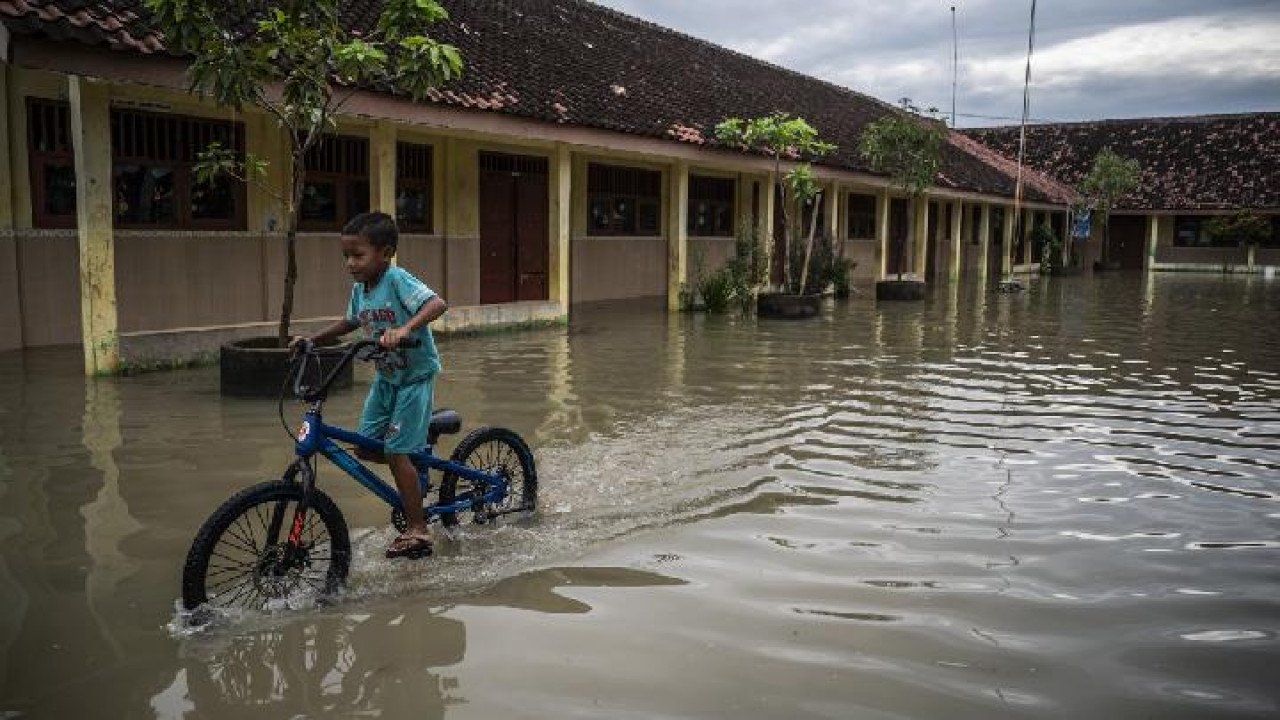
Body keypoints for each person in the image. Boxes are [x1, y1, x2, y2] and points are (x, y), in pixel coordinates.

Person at [295, 211, 448, 559]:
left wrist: (406, 329)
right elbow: (351, 321)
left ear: (385, 252)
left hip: (414, 378)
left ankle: (419, 528)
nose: (350, 263)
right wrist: (312, 339)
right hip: (386, 379)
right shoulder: (359, 290)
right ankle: (413, 467)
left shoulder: (396, 279)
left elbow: (437, 303)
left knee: (394, 452)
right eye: (346, 256)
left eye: (358, 255)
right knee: (364, 448)